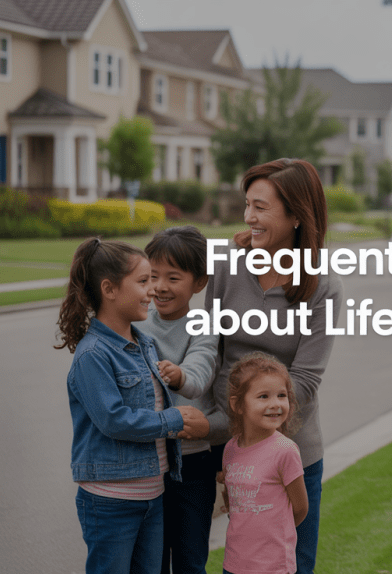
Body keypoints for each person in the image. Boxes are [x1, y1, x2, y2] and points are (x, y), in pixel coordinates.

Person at [205, 158, 342, 574]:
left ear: (296, 215)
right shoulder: (227, 265)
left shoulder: (323, 284)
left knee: (290, 563)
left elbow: (305, 380)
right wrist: (223, 435)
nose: (249, 217)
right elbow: (210, 349)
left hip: (291, 452)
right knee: (238, 558)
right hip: (225, 443)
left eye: (260, 207)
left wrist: (253, 434)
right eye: (247, 204)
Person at [56, 238, 209, 574]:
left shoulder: (145, 343)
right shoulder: (93, 354)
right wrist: (173, 419)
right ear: (109, 289)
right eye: (143, 281)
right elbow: (114, 420)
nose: (152, 290)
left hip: (153, 495)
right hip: (111, 501)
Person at [135, 226, 218, 574]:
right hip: (148, 463)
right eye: (153, 276)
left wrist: (179, 375)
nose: (160, 287)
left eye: (173, 277)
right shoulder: (137, 323)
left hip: (193, 464)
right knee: (150, 562)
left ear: (199, 282)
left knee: (190, 561)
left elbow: (200, 372)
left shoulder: (204, 324)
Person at [220, 352, 308, 574]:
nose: (275, 404)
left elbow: (300, 508)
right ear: (238, 404)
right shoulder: (231, 449)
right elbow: (232, 499)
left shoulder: (285, 451)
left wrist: (274, 535)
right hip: (234, 564)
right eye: (263, 396)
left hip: (272, 566)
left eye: (281, 395)